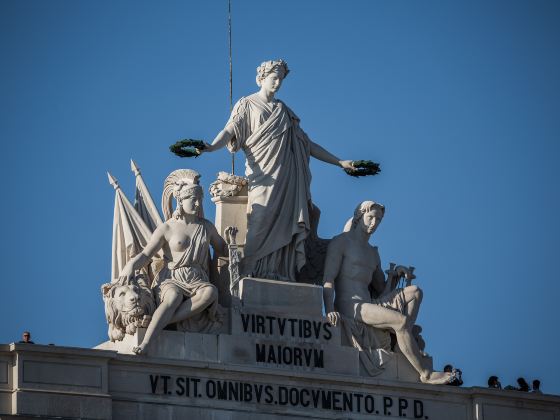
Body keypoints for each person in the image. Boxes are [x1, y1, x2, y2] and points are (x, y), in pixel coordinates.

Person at [200, 59, 356, 281]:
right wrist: (211, 147)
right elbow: (230, 130)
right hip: (263, 178)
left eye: (281, 80)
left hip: (287, 178)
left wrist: (340, 162)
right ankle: (249, 270)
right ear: (260, 79)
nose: (277, 84)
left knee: (285, 223)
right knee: (260, 220)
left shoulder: (283, 111)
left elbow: (307, 145)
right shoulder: (247, 105)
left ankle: (278, 272)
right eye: (274, 79)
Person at [323, 201, 452, 384]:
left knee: (415, 292)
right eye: (371, 218)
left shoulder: (372, 253)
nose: (374, 223)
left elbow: (381, 290)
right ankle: (426, 373)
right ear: (360, 217)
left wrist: (395, 274)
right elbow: (328, 279)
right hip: (351, 306)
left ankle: (401, 341)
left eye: (378, 220)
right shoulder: (341, 243)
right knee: (401, 321)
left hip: (369, 304)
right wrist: (329, 309)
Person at [118, 169, 233, 355]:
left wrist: (232, 240)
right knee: (173, 297)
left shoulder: (206, 227)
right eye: (192, 199)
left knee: (210, 292)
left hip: (197, 278)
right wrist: (131, 265)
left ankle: (162, 320)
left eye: (199, 199)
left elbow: (222, 249)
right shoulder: (167, 228)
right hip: (172, 277)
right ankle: (146, 342)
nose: (197, 203)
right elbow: (147, 254)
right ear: (180, 201)